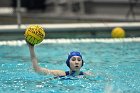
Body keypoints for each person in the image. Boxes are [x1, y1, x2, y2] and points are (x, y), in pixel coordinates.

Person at [27, 42, 91, 78]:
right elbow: (38, 70)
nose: (76, 62)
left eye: (79, 60)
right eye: (73, 60)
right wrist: (31, 48)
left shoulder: (87, 75)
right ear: (68, 63)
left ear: (82, 63)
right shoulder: (61, 74)